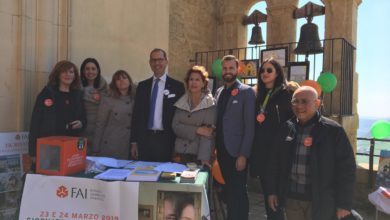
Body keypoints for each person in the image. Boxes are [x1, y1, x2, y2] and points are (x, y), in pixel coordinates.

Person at [267, 86, 356, 220]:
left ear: (317, 103)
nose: (299, 105)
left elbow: (346, 168)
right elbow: (274, 162)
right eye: (295, 101)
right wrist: (272, 191)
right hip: (292, 198)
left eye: (304, 101)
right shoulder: (286, 128)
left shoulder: (333, 131)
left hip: (321, 200)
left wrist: (344, 203)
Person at [249, 58, 294, 220]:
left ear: (277, 73)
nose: (264, 73)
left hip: (279, 154)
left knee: (277, 199)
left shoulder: (286, 94)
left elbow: (291, 122)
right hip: (262, 154)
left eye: (269, 70)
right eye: (262, 70)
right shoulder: (257, 95)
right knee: (269, 197)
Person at [215, 55, 256, 220]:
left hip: (237, 152)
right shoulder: (218, 91)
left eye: (231, 68)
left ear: (237, 69)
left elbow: (250, 127)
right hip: (222, 150)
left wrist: (243, 155)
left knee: (238, 192)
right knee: (230, 191)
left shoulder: (247, 92)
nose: (227, 71)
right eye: (225, 68)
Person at [28, 60, 86, 171]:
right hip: (50, 147)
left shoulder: (77, 95)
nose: (68, 74)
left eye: (71, 72)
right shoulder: (47, 93)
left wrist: (81, 123)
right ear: (58, 74)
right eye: (64, 72)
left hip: (71, 147)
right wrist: (33, 152)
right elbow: (35, 123)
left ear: (75, 76)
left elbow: (83, 118)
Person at [130, 48, 185, 162]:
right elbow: (136, 116)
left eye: (160, 59)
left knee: (163, 177)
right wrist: (134, 142)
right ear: (150, 63)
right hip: (144, 140)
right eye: (153, 60)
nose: (157, 63)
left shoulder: (177, 87)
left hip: (167, 141)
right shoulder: (142, 86)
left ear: (166, 61)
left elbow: (181, 117)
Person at [172, 65, 216, 166]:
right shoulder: (181, 102)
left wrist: (204, 158)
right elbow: (175, 126)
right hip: (180, 153)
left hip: (199, 156)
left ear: (204, 83)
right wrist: (197, 130)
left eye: (197, 79)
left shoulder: (210, 103)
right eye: (191, 79)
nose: (194, 82)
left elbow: (208, 134)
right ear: (187, 82)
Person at [93, 70, 135, 159]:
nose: (122, 81)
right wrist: (96, 148)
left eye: (124, 78)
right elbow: (100, 124)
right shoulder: (107, 100)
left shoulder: (136, 98)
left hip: (130, 146)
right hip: (112, 145)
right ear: (114, 83)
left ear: (129, 81)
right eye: (118, 79)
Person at [80, 58, 108, 154]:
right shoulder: (76, 89)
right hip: (82, 131)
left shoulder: (106, 89)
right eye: (87, 69)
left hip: (101, 132)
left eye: (93, 69)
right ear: (83, 71)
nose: (90, 72)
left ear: (98, 70)